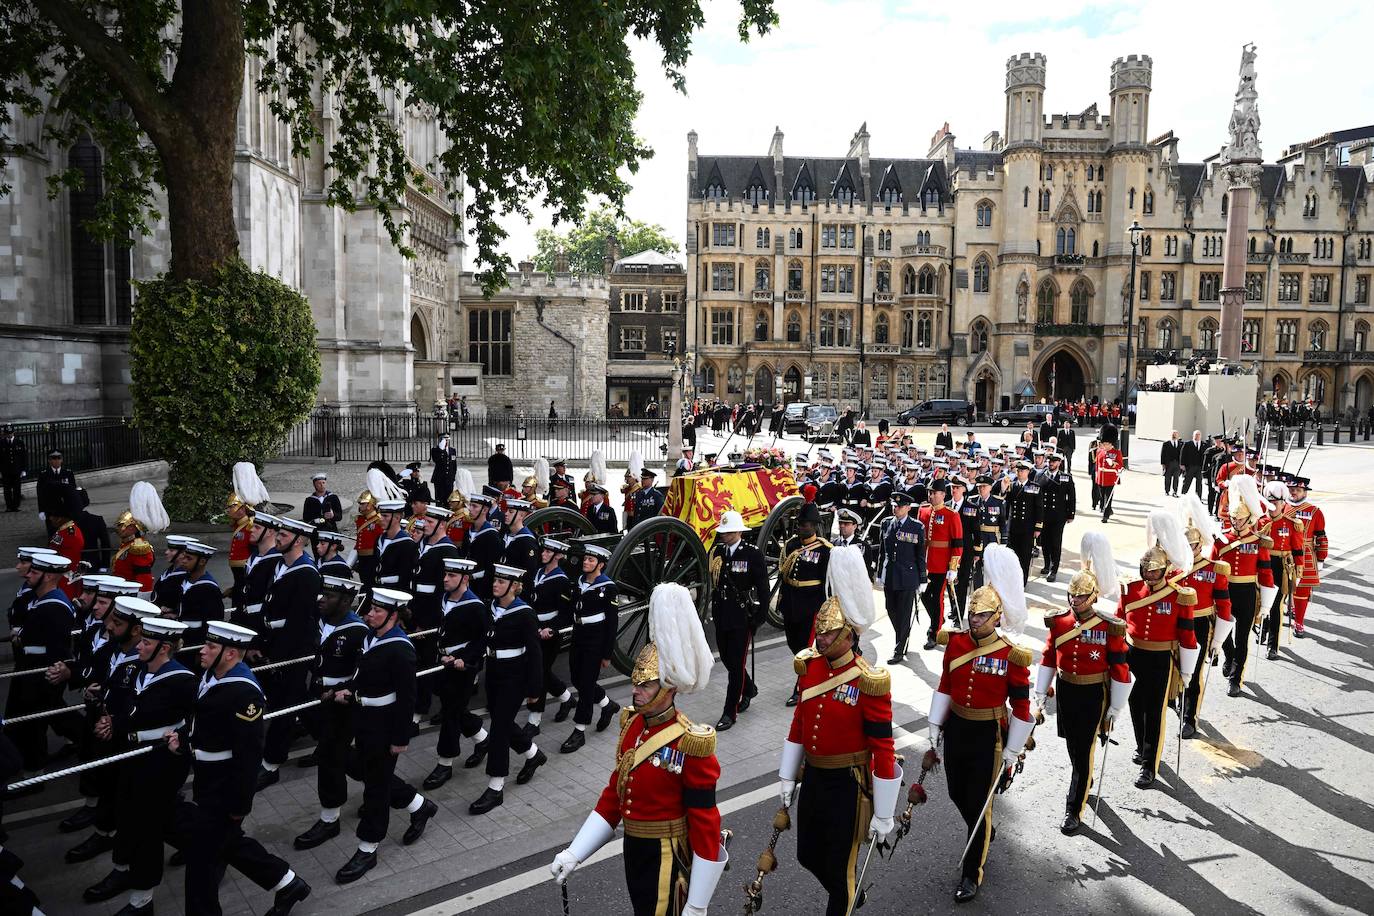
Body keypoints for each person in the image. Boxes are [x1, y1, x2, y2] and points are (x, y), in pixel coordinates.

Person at [550, 584, 728, 916]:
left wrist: (699, 903)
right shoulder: (632, 725)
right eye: (635, 682)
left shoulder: (691, 742)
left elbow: (706, 825)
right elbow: (615, 796)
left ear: (669, 686)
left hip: (667, 855)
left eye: (645, 684)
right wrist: (575, 853)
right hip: (635, 849)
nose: (636, 691)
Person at [778, 545, 900, 916]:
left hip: (848, 785)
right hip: (814, 776)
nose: (821, 640)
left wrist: (884, 810)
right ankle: (847, 892)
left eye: (829, 635)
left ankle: (844, 895)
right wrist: (787, 776)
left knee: (842, 865)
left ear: (849, 636)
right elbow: (799, 723)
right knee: (806, 854)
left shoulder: (868, 681)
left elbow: (883, 746)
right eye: (820, 633)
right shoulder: (810, 667)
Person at [166, 621, 311, 916]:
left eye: (211, 647)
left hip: (224, 786)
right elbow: (202, 721)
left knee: (202, 860)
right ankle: (287, 883)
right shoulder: (212, 675)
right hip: (207, 779)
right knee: (227, 843)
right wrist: (182, 739)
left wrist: (240, 803)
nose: (203, 651)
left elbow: (248, 755)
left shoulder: (244, 693)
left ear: (231, 653)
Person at [928, 544, 1034, 902]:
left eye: (982, 616)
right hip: (957, 727)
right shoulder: (956, 644)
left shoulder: (1010, 653)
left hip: (989, 734)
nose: (974, 621)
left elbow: (1022, 706)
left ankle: (971, 873)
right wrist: (934, 723)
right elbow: (945, 683)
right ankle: (983, 828)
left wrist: (1014, 749)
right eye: (972, 615)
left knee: (978, 803)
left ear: (997, 617)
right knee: (957, 792)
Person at [84, 612, 196, 914]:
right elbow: (123, 706)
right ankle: (122, 869)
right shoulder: (137, 669)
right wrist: (110, 720)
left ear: (164, 648)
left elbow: (195, 724)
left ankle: (142, 900)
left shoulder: (183, 681)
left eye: (146, 642)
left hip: (159, 762)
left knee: (148, 827)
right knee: (127, 815)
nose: (140, 646)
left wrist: (180, 743)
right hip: (130, 755)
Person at [330, 587, 438, 883]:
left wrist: (400, 738)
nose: (369, 614)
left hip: (385, 724)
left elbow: (407, 697)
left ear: (393, 615)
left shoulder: (401, 648)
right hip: (364, 718)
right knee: (361, 768)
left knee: (375, 788)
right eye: (371, 609)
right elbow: (361, 675)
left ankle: (368, 847)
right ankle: (419, 806)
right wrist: (350, 691)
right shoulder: (371, 637)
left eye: (377, 611)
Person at [1035, 532, 1132, 835]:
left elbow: (1119, 668)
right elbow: (1049, 656)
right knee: (1072, 745)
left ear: (1093, 597)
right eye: (1071, 596)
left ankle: (1073, 809)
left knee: (1083, 749)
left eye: (1080, 596)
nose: (1074, 601)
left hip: (1093, 693)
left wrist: (1116, 705)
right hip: (1066, 691)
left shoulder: (1109, 627)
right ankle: (1083, 777)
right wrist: (1039, 691)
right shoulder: (1060, 622)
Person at [1119, 511, 1199, 789]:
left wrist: (1187, 670)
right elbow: (1119, 625)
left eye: (1154, 570)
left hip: (1160, 658)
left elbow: (1187, 634)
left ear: (1164, 570)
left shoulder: (1179, 595)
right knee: (1134, 704)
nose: (1149, 574)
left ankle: (1149, 765)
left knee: (1154, 710)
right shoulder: (1129, 590)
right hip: (1133, 656)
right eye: (1146, 570)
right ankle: (1141, 746)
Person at [293, 576, 368, 851]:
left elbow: (363, 673)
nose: (322, 599)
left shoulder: (358, 631)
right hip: (317, 698)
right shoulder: (322, 620)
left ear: (347, 601)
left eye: (330, 596)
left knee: (329, 758)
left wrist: (344, 690)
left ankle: (330, 818)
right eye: (322, 593)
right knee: (340, 756)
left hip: (341, 703)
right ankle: (398, 794)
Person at [469, 564, 547, 814]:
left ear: (514, 587)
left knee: (499, 729)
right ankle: (533, 754)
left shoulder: (524, 613)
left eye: (501, 582)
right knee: (501, 719)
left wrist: (535, 690)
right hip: (494, 672)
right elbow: (483, 639)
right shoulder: (491, 608)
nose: (495, 585)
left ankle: (495, 787)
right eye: (495, 580)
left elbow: (535, 655)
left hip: (515, 676)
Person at [256, 517, 323, 790]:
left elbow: (298, 621)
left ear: (298, 540)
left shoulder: (307, 573)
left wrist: (279, 657)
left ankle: (271, 764)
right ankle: (328, 736)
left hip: (294, 650)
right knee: (297, 699)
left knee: (285, 705)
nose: (278, 537)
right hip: (276, 644)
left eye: (283, 535)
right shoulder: (279, 565)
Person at [5, 552, 75, 774]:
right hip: (29, 668)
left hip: (40, 672)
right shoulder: (40, 599)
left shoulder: (54, 606)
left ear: (48, 577)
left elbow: (58, 648)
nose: (28, 574)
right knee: (21, 720)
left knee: (33, 725)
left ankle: (33, 773)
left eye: (34, 572)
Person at [424, 558, 491, 786]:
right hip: (444, 663)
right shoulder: (444, 598)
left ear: (465, 578)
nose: (445, 579)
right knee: (455, 709)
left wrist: (464, 658)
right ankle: (483, 740)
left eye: (451, 576)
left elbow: (482, 639)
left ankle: (445, 763)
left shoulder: (475, 606)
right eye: (445, 574)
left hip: (462, 668)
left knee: (451, 714)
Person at [1176, 495, 1235, 739]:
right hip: (1177, 624)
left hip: (1201, 623)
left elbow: (1224, 605)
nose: (1189, 551)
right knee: (1179, 669)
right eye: (1185, 546)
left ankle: (1190, 718)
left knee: (1194, 671)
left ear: (1200, 546)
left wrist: (1218, 640)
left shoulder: (1213, 569)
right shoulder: (1175, 568)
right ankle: (1179, 701)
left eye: (1192, 546)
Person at [1215, 475, 1274, 698]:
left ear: (1248, 518)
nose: (1236, 522)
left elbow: (1266, 573)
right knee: (1224, 635)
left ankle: (1235, 678)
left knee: (1242, 638)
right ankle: (1228, 657)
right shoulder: (1221, 540)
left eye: (1240, 519)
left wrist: (1267, 604)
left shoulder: (1258, 541)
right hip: (1225, 593)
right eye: (1233, 519)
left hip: (1248, 593)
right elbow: (1212, 569)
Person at [709, 510, 768, 730]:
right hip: (722, 613)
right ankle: (749, 688)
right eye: (722, 532)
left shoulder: (751, 554)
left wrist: (759, 618)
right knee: (727, 659)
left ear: (738, 532)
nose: (723, 535)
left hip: (742, 617)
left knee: (736, 667)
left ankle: (729, 712)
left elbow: (763, 588)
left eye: (727, 532)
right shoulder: (717, 552)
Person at [560, 545, 618, 751]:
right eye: (585, 559)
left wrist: (607, 653)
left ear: (600, 565)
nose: (586, 562)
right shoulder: (579, 583)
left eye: (591, 560)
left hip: (596, 638)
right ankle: (607, 705)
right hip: (579, 635)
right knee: (576, 678)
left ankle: (580, 729)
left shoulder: (608, 587)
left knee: (585, 685)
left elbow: (612, 624)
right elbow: (570, 609)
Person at [778, 503, 831, 706]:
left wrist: (824, 609)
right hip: (791, 602)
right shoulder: (791, 545)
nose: (800, 527)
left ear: (814, 526)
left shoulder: (825, 550)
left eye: (805, 524)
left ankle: (801, 687)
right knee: (794, 644)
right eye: (799, 524)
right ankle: (814, 673)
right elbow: (784, 575)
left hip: (811, 605)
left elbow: (827, 582)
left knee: (806, 648)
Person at [523, 539, 576, 738]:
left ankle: (534, 720)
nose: (543, 554)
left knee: (539, 672)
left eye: (548, 551)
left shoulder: (561, 580)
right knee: (541, 671)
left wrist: (552, 629)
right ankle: (567, 698)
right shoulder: (538, 573)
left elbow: (565, 613)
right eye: (543, 550)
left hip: (549, 634)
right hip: (534, 628)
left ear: (558, 556)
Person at [1256, 479, 1304, 660]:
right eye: (1268, 503)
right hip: (1262, 565)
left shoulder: (1292, 524)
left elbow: (1298, 550)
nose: (1271, 507)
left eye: (1275, 504)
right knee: (1262, 602)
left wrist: (1298, 572)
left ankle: (1272, 645)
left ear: (1283, 504)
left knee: (1276, 606)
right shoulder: (1260, 522)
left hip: (1281, 567)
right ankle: (1263, 628)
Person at [881, 492, 927, 662]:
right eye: (894, 505)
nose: (896, 508)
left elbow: (920, 555)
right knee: (891, 610)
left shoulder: (917, 527)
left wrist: (923, 578)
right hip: (891, 574)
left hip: (908, 576)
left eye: (899, 506)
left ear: (908, 508)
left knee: (904, 613)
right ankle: (902, 637)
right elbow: (882, 552)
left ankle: (899, 649)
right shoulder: (886, 523)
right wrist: (880, 573)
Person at [1287, 475, 1326, 637]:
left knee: (1302, 591)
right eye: (1291, 489)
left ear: (1305, 492)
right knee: (1283, 588)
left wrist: (1322, 557)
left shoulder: (1315, 511)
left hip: (1306, 555)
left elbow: (1321, 536)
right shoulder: (1282, 507)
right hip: (1285, 552)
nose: (1294, 492)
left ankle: (1299, 623)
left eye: (1298, 490)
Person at [1001, 460, 1042, 584]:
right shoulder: (1012, 486)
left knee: (1024, 555)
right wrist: (1003, 489)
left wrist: (1038, 527)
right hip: (1014, 526)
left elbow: (1039, 508)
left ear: (1028, 472)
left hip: (1027, 527)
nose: (1019, 473)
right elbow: (1006, 503)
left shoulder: (1034, 487)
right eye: (1018, 470)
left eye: (1022, 471)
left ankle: (1022, 580)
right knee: (1012, 555)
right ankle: (1012, 580)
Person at [1037, 453, 1075, 582]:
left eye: (1054, 461)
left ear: (1059, 463)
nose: (1051, 463)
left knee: (1055, 542)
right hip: (1044, 514)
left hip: (1058, 516)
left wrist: (1071, 514)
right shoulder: (1041, 475)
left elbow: (1071, 497)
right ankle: (1047, 564)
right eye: (1049, 461)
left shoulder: (1065, 477)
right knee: (1045, 542)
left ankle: (1054, 569)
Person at [36, 449, 76, 535]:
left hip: (66, 507)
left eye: (59, 458)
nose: (56, 460)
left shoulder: (68, 473)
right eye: (53, 458)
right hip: (51, 508)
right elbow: (40, 493)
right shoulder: (44, 474)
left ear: (62, 460)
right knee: (52, 533)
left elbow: (73, 491)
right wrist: (41, 510)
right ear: (49, 460)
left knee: (69, 532)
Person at [1094, 425, 1123, 522]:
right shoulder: (1100, 452)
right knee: (1102, 497)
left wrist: (1114, 464)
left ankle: (1105, 516)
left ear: (1111, 443)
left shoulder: (1117, 453)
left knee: (1108, 498)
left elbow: (1120, 466)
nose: (1104, 446)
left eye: (1106, 444)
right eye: (1104, 443)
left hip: (1110, 478)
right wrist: (1097, 475)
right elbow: (1097, 465)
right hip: (1101, 478)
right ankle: (1108, 510)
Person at [0, 424, 27, 511]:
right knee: (7, 489)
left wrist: (24, 469)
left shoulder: (19, 442)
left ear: (13, 432)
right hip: (5, 470)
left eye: (10, 433)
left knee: (17, 489)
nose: (9, 435)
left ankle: (15, 506)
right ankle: (9, 506)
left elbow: (24, 457)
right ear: (4, 433)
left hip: (17, 469)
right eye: (7, 433)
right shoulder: (1, 443)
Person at [431, 435, 457, 505]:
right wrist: (441, 450)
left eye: (447, 440)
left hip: (449, 479)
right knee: (439, 498)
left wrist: (453, 477)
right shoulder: (435, 450)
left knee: (448, 499)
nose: (446, 441)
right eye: (445, 440)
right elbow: (436, 460)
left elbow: (454, 465)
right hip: (439, 478)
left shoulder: (452, 450)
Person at [1179, 430, 1205, 498]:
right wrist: (1182, 464)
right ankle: (1183, 495)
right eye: (1196, 434)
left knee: (1199, 483)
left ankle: (1199, 497)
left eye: (1199, 434)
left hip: (1199, 467)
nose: (1197, 436)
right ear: (1193, 436)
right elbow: (1183, 454)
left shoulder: (1204, 444)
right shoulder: (1188, 444)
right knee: (1187, 481)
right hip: (1190, 466)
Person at [1160, 431, 1182, 497]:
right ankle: (1167, 491)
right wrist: (1163, 464)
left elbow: (1182, 454)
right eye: (1173, 434)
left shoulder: (1180, 444)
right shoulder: (1166, 443)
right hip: (1168, 463)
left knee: (1176, 478)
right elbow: (1162, 454)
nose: (1174, 435)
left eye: (1176, 434)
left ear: (1178, 436)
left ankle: (1175, 491)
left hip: (1177, 464)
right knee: (1167, 478)